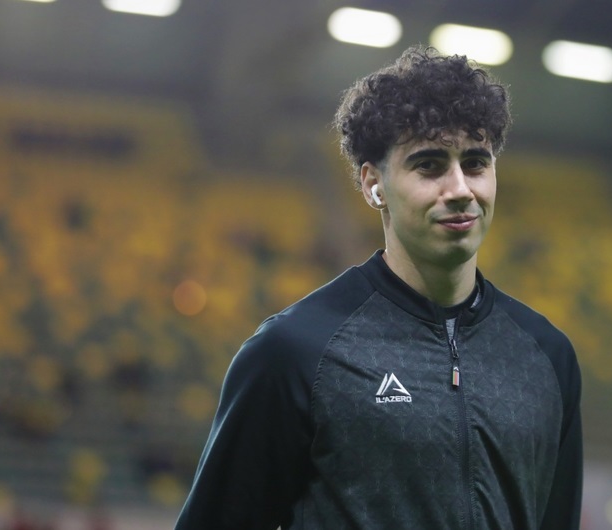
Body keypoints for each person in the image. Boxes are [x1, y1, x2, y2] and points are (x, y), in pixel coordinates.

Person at [175, 45, 583, 530]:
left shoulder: (547, 356)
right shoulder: (295, 350)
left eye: (476, 163)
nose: (460, 189)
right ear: (374, 184)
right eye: (429, 165)